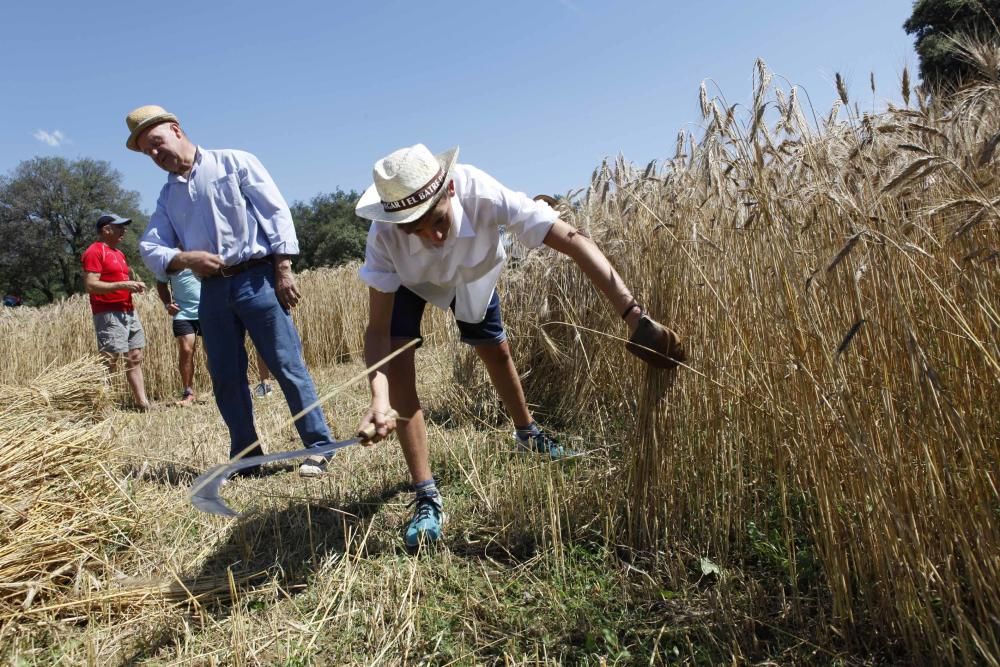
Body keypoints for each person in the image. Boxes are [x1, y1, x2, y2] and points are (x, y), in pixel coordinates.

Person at [354, 144, 686, 547]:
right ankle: (426, 494)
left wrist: (635, 317)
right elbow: (377, 333)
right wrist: (378, 398)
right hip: (411, 283)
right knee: (399, 362)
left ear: (451, 191)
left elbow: (573, 239)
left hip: (473, 274)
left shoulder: (485, 194)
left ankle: (528, 434)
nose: (432, 236)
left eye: (437, 221)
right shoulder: (385, 234)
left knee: (496, 349)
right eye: (415, 229)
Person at [129, 104, 334, 477]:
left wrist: (283, 269)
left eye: (157, 143)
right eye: (148, 153)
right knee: (225, 375)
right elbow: (150, 247)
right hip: (211, 292)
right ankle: (247, 456)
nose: (156, 155)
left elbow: (275, 213)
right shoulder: (167, 197)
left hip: (257, 278)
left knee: (286, 364)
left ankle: (319, 446)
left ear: (176, 129)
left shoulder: (234, 162)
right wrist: (187, 258)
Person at [81, 213, 152, 412]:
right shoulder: (94, 251)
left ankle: (142, 403)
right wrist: (124, 284)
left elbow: (117, 283)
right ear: (106, 230)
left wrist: (132, 286)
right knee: (109, 359)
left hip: (128, 310)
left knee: (135, 355)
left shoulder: (119, 253)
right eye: (119, 227)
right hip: (108, 313)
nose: (124, 230)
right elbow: (91, 285)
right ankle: (103, 407)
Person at [155, 268, 202, 407]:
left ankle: (220, 389)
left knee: (211, 351)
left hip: (206, 309)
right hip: (182, 313)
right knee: (186, 350)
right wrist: (168, 304)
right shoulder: (168, 259)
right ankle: (188, 392)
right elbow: (161, 284)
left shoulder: (199, 250)